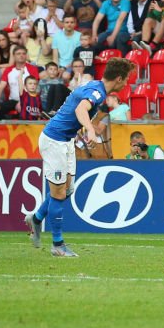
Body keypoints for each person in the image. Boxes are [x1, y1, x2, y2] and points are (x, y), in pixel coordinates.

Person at [25, 57, 134, 257]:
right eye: (126, 79)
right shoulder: (97, 92)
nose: (127, 83)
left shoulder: (95, 86)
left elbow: (73, 109)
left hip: (65, 140)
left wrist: (78, 129)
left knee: (65, 191)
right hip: (54, 141)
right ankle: (57, 245)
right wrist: (90, 130)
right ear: (119, 79)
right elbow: (80, 108)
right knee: (58, 193)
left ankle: (37, 218)